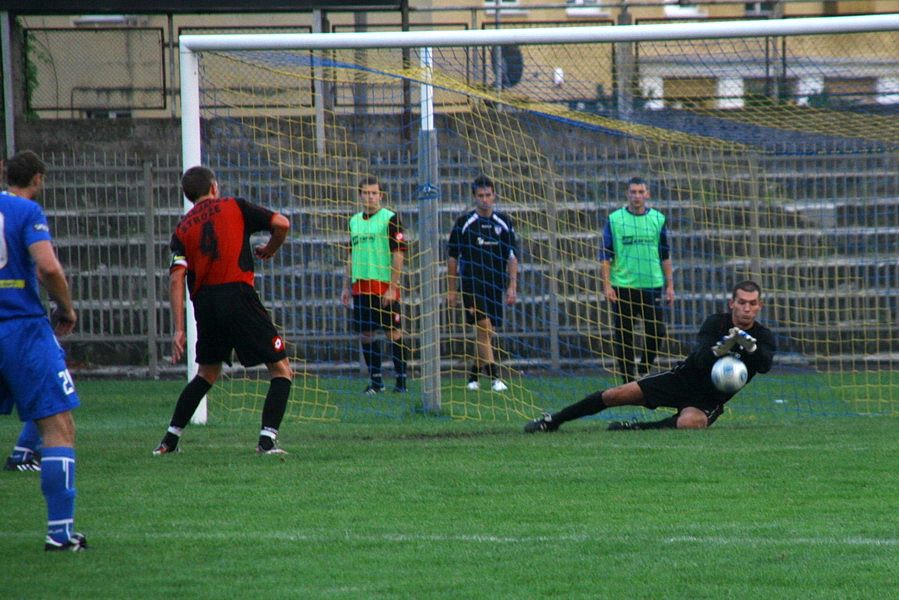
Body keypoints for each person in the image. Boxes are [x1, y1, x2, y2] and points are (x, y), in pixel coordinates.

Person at [153, 166, 293, 455]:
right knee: (281, 370)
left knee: (207, 373)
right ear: (214, 187)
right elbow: (283, 223)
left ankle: (169, 441)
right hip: (238, 295)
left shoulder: (182, 228)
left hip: (205, 303)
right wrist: (270, 248)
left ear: (188, 195)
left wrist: (179, 328)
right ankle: (266, 443)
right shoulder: (234, 206)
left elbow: (176, 277)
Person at [525, 281, 775, 432]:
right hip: (681, 380)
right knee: (614, 395)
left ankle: (638, 427)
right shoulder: (715, 323)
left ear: (759, 306)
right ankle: (553, 421)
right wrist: (720, 350)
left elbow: (764, 364)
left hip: (709, 399)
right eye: (742, 302)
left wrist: (750, 348)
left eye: (752, 303)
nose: (746, 308)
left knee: (690, 425)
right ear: (732, 303)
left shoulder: (763, 336)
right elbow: (700, 360)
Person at [0, 150, 87, 550]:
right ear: (37, 179)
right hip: (20, 328)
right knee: (57, 428)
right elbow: (47, 267)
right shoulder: (26, 211)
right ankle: (60, 533)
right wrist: (65, 308)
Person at [447, 175, 519, 392]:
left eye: (488, 195)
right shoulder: (464, 223)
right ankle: (495, 377)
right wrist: (451, 290)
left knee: (485, 333)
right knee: (484, 327)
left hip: (495, 284)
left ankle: (473, 376)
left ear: (494, 195)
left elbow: (512, 257)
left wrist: (512, 286)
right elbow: (452, 258)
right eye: (480, 196)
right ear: (474, 197)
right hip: (471, 285)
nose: (485, 200)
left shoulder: (504, 222)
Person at [600, 177, 675, 383]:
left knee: (656, 330)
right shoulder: (615, 219)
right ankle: (627, 380)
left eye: (641, 192)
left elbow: (665, 255)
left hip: (652, 285)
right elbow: (605, 256)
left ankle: (643, 368)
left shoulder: (658, 219)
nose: (637, 196)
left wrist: (670, 285)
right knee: (624, 335)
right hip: (623, 285)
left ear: (647, 194)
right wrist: (607, 286)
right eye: (633, 192)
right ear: (628, 194)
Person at [340, 176, 409, 394]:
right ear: (360, 195)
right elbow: (351, 255)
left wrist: (392, 287)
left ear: (381, 195)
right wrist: (345, 287)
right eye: (366, 193)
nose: (370, 196)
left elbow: (398, 254)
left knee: (393, 333)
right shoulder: (354, 221)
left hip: (383, 286)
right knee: (366, 334)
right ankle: (376, 382)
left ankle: (401, 382)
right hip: (361, 287)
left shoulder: (390, 218)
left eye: (374, 193)